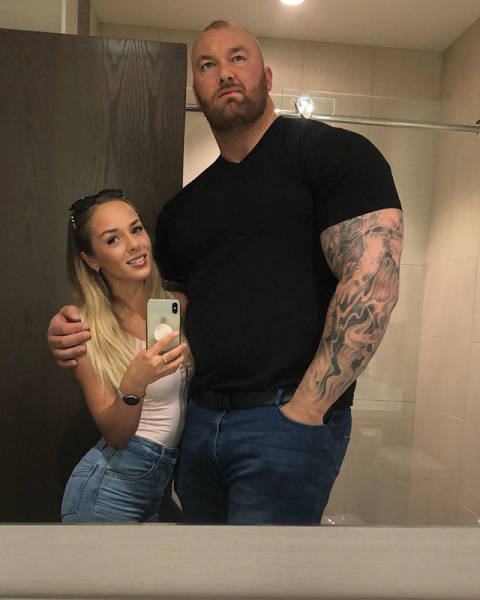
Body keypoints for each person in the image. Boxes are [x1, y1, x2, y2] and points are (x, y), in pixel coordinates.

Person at [48, 21, 403, 525]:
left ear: (267, 75)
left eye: (238, 58)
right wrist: (79, 323)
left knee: (258, 570)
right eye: (207, 65)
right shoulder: (183, 211)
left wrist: (306, 410)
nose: (225, 73)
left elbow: (373, 283)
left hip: (285, 419)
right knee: (205, 568)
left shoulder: (335, 155)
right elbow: (164, 312)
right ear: (197, 91)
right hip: (199, 427)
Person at [60, 188, 187, 522]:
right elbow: (116, 436)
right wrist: (134, 384)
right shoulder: (85, 330)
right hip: (108, 490)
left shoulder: (173, 306)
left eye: (136, 229)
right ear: (91, 259)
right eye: (113, 239)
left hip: (161, 484)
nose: (133, 244)